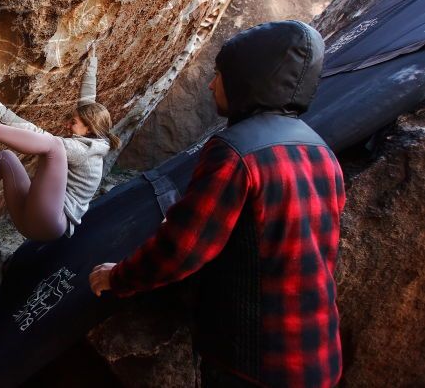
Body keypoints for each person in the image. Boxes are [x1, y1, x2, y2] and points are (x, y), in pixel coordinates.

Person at [89, 21, 345, 387]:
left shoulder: (235, 152)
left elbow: (184, 248)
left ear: (246, 79)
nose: (211, 85)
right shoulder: (320, 150)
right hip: (318, 354)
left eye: (220, 75)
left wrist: (118, 276)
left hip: (256, 362)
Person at [0, 44, 120, 241]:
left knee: (53, 145)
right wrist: (91, 64)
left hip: (51, 220)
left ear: (89, 128)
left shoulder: (82, 149)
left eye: (73, 122)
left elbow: (36, 133)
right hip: (30, 218)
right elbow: (88, 103)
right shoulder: (94, 135)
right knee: (4, 159)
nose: (67, 125)